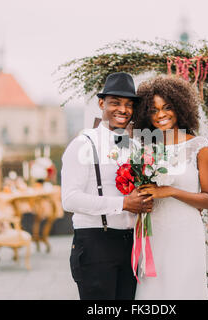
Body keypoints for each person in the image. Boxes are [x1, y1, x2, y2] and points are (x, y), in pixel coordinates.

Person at [61, 72, 153, 300]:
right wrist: (123, 203)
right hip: (95, 245)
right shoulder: (83, 144)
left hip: (129, 245)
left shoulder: (135, 147)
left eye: (128, 104)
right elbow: (70, 199)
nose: (123, 109)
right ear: (101, 103)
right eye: (115, 103)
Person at [132, 75, 208, 299]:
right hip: (153, 232)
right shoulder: (144, 147)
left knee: (183, 290)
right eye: (153, 110)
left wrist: (170, 191)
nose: (161, 115)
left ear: (180, 107)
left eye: (167, 107)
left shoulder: (199, 146)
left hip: (185, 231)